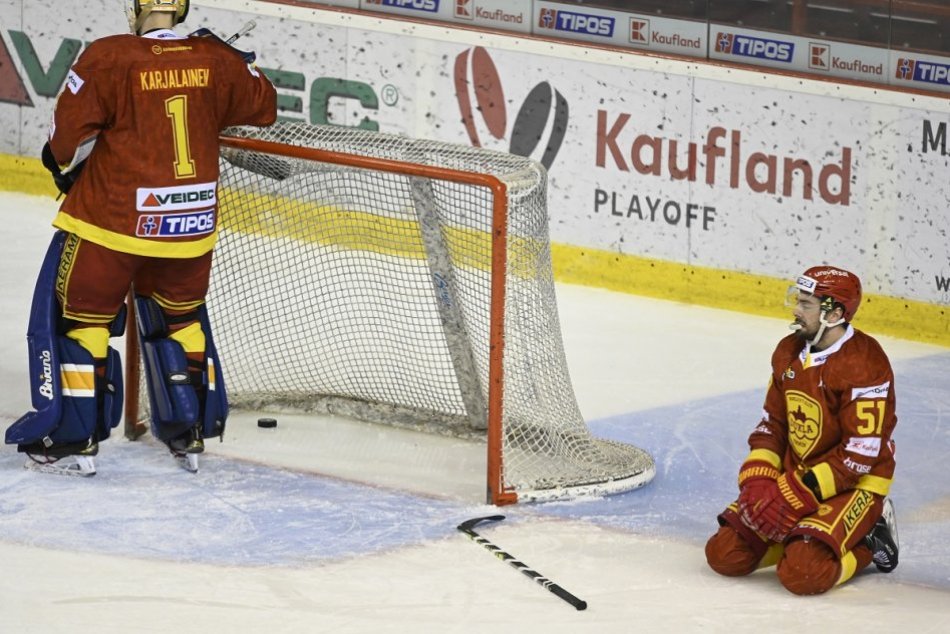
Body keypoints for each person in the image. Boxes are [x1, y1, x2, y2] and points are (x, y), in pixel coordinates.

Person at [4, 0, 277, 475]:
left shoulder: (109, 56)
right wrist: (235, 60)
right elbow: (265, 107)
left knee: (82, 322)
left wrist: (60, 168)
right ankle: (189, 434)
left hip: (111, 224)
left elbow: (65, 140)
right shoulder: (216, 59)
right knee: (181, 320)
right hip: (189, 226)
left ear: (135, 8)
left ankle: (74, 441)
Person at [704, 265, 900, 595]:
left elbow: (858, 457)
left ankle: (870, 540)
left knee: (803, 574)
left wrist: (793, 494)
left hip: (856, 483)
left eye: (806, 304)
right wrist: (758, 481)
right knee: (724, 555)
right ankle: (799, 537)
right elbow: (773, 423)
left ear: (835, 313)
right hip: (799, 476)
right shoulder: (788, 351)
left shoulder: (864, 363)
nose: (796, 310)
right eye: (799, 300)